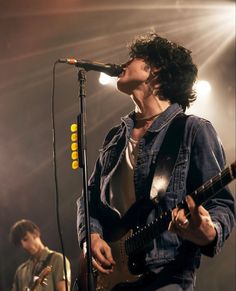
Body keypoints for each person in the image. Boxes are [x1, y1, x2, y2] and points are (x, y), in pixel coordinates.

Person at [77, 32, 235, 290]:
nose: (125, 63)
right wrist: (91, 237)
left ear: (157, 70)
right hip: (113, 278)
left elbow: (221, 205)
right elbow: (89, 197)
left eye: (134, 58)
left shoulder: (192, 130)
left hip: (166, 275)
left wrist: (208, 230)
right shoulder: (115, 139)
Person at [10, 219, 71, 291]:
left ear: (35, 233)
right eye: (20, 244)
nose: (24, 246)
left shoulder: (58, 259)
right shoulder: (20, 271)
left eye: (25, 239)